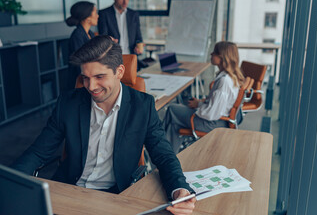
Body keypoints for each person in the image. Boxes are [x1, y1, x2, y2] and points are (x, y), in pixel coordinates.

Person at [12, 35, 196, 215]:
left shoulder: (143, 106)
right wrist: (11, 180)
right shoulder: (68, 103)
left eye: (99, 76)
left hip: (115, 195)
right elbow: (38, 152)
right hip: (70, 191)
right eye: (85, 77)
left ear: (120, 72)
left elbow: (164, 155)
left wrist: (180, 188)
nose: (91, 86)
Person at [164, 41, 245, 154]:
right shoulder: (230, 77)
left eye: (214, 52)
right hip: (219, 120)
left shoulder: (224, 81)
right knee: (174, 124)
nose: (211, 54)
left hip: (213, 123)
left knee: (172, 109)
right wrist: (201, 102)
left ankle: (161, 150)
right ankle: (167, 155)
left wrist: (199, 105)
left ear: (221, 57)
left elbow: (211, 113)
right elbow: (217, 104)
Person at [98, 0, 146, 70]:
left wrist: (139, 46)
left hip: (131, 59)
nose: (125, 2)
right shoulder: (104, 14)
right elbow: (103, 39)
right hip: (112, 61)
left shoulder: (134, 14)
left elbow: (138, 37)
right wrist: (110, 41)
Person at [66, 1, 99, 89]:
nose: (97, 16)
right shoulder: (77, 35)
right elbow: (80, 62)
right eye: (95, 13)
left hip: (90, 78)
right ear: (87, 18)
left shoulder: (91, 34)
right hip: (80, 82)